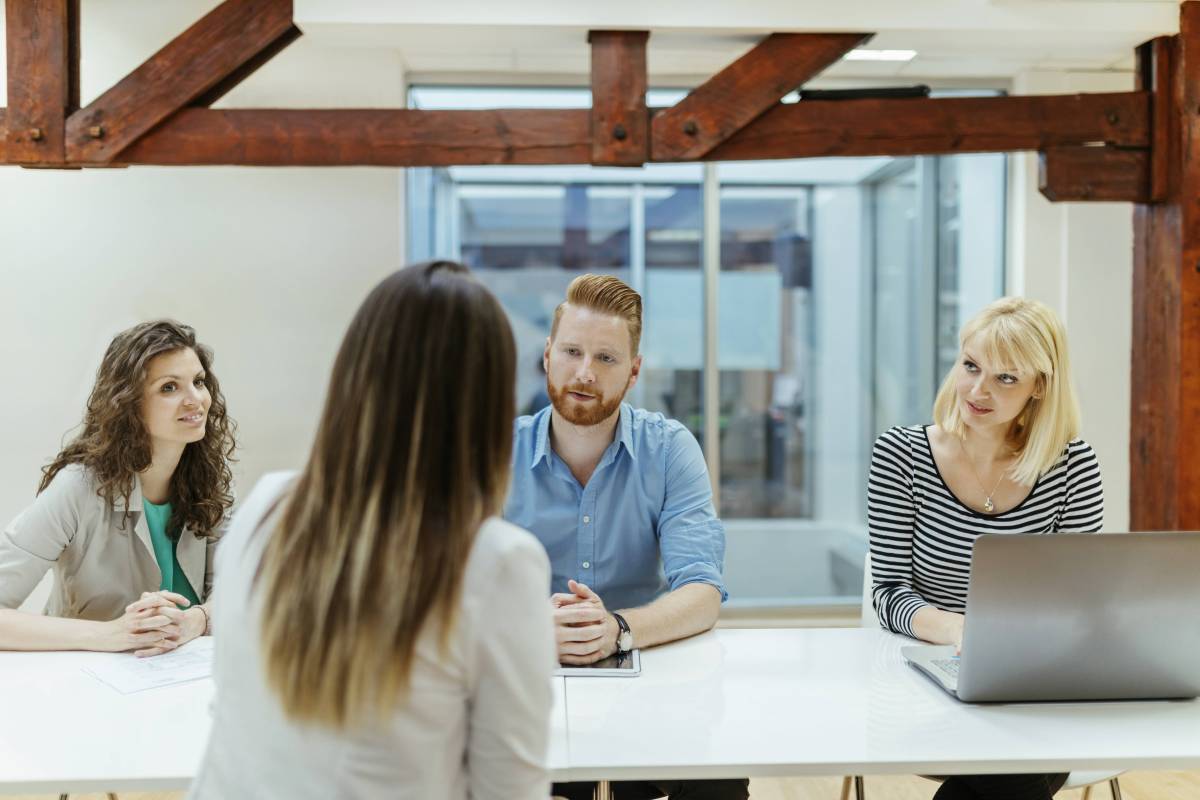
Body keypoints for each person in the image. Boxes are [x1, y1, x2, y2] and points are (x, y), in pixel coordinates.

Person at [190, 261, 556, 800]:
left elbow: (232, 712)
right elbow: (512, 790)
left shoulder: (266, 508)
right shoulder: (496, 561)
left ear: (354, 378)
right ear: (485, 405)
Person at [506, 273, 749, 800]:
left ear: (634, 371)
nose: (585, 373)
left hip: (650, 678)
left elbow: (702, 592)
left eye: (607, 359)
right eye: (571, 351)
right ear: (548, 355)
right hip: (526, 685)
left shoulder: (669, 449)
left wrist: (615, 628)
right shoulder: (493, 454)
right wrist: (525, 630)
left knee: (718, 782)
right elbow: (446, 589)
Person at [868, 296, 1103, 800]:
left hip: (1034, 674)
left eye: (1006, 378)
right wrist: (961, 631)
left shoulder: (1073, 466)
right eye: (971, 366)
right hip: (930, 666)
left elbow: (1080, 595)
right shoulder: (901, 455)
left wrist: (1016, 647)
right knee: (1017, 774)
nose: (977, 390)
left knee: (1007, 766)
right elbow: (888, 592)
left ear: (1040, 387)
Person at [0, 320, 235, 656]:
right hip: (91, 681)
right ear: (129, 404)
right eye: (169, 387)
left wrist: (197, 620)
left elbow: (240, 589)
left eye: (198, 382)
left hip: (184, 676)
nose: (195, 399)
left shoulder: (211, 474)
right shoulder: (77, 486)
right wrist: (109, 634)